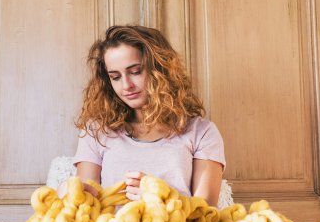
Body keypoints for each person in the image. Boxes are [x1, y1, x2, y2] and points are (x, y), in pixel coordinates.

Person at [57, 25, 225, 207]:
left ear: (161, 69)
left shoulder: (202, 132)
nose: (126, 85)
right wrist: (69, 191)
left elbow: (206, 210)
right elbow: (86, 204)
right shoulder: (96, 131)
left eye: (135, 72)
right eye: (115, 77)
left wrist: (161, 199)